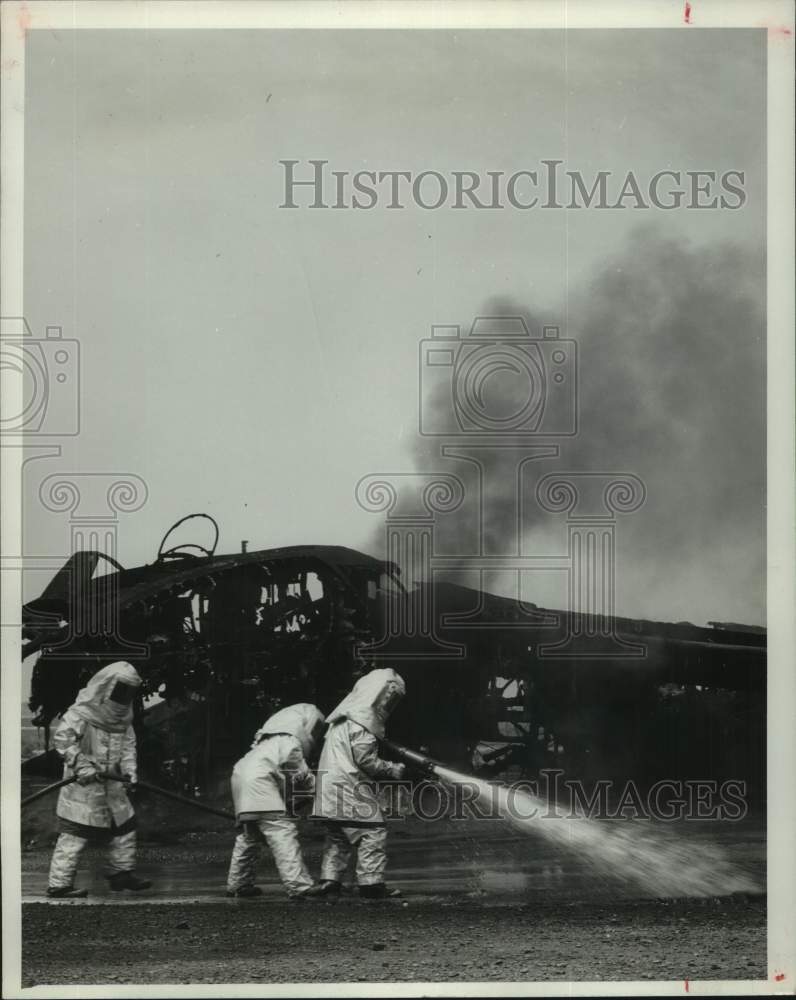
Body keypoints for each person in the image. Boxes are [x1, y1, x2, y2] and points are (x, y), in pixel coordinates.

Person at [47, 661, 151, 898]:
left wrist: (130, 773)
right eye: (121, 689)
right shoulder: (81, 713)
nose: (125, 696)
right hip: (84, 785)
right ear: (107, 686)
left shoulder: (123, 718)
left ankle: (121, 874)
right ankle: (59, 884)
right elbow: (63, 740)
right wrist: (82, 765)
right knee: (75, 834)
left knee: (125, 826)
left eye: (129, 691)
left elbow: (128, 747)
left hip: (113, 783)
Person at [313, 668, 407, 899]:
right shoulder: (363, 721)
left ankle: (330, 880)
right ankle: (371, 883)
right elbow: (366, 760)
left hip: (329, 787)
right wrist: (394, 769)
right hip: (349, 786)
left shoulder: (341, 719)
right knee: (373, 831)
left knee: (338, 835)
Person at [226, 702, 326, 899]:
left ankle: (238, 884)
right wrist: (317, 789)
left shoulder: (263, 745)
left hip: (241, 776)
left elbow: (282, 778)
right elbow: (298, 771)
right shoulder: (289, 742)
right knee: (282, 832)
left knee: (250, 836)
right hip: (260, 782)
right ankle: (300, 886)